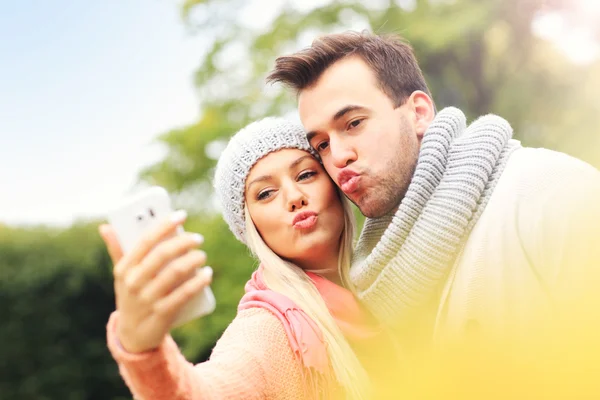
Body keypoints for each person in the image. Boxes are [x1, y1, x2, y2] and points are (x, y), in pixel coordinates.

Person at [267, 30, 600, 372]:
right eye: (321, 144)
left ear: (419, 113)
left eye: (353, 123)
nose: (338, 156)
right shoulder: (370, 283)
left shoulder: (548, 192)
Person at [100, 117, 399, 400]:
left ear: (334, 184)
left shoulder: (399, 271)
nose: (295, 196)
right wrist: (142, 351)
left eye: (306, 174)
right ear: (250, 225)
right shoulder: (268, 329)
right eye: (266, 193)